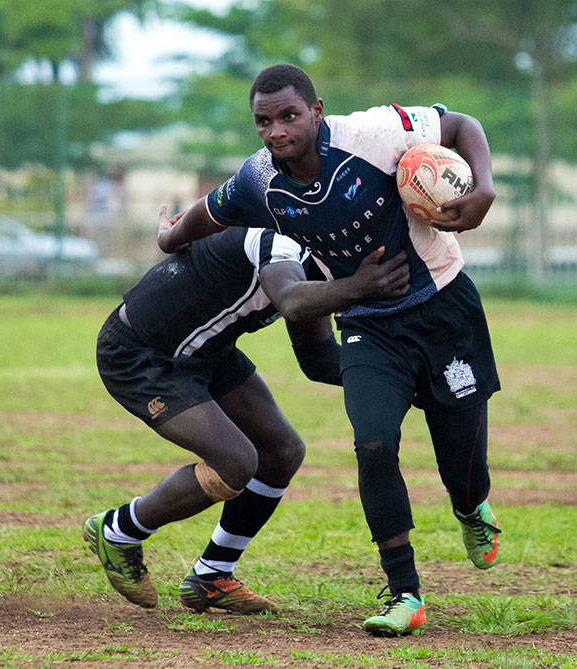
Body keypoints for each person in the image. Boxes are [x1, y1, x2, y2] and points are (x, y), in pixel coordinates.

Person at [157, 64, 501, 637]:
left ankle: (470, 508)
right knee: (372, 442)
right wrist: (169, 235)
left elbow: (460, 123)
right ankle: (405, 593)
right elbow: (206, 213)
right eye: (263, 121)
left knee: (464, 471)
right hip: (368, 324)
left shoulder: (374, 134)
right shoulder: (260, 179)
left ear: (316, 111)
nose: (275, 131)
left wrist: (484, 187)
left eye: (288, 115)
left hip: (444, 305)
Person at [84, 215, 409, 615]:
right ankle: (117, 531)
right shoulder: (280, 242)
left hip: (206, 352)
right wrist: (358, 287)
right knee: (236, 462)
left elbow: (319, 359)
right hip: (142, 355)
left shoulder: (317, 261)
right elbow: (291, 299)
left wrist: (398, 375)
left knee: (282, 450)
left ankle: (212, 574)